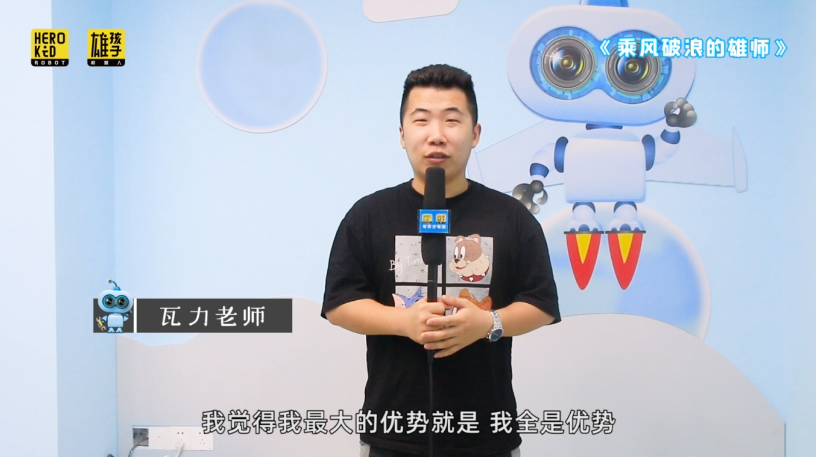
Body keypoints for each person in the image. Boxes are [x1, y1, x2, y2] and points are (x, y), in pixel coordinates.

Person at [322, 64, 560, 457]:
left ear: (475, 133)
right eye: (421, 121)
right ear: (402, 134)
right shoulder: (369, 215)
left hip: (486, 433)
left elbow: (541, 304)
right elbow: (340, 304)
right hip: (393, 432)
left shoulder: (511, 217)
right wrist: (403, 322)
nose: (436, 135)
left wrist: (489, 324)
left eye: (452, 120)